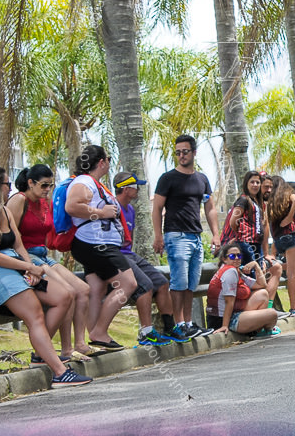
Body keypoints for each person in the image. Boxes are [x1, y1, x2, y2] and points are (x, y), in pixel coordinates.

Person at [0, 166, 92, 387]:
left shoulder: (5, 211)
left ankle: (42, 354)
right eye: (6, 184)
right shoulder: (11, 205)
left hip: (18, 265)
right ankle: (59, 371)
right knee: (35, 314)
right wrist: (28, 267)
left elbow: (18, 244)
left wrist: (30, 268)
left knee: (64, 296)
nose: (11, 187)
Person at [65, 145, 138, 351]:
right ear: (101, 162)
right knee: (128, 283)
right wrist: (101, 212)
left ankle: (94, 339)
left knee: (97, 288)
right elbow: (72, 207)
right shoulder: (84, 182)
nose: (109, 163)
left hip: (95, 243)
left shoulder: (93, 183)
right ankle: (99, 332)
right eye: (108, 159)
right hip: (96, 244)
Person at [152, 135, 219, 339]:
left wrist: (216, 234)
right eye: (178, 152)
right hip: (176, 236)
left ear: (194, 152)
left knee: (191, 283)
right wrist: (158, 236)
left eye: (185, 151)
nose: (181, 155)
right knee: (178, 283)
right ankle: (178, 324)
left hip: (196, 237)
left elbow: (210, 207)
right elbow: (156, 208)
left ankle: (189, 323)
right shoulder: (168, 178)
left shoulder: (202, 179)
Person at [112, 171, 181, 345]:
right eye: (136, 187)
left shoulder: (131, 210)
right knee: (146, 286)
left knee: (162, 282)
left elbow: (130, 238)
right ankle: (146, 332)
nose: (139, 190)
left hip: (129, 254)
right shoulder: (113, 207)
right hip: (117, 255)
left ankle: (169, 328)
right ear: (127, 189)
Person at [205, 243, 279, 335]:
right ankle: (262, 328)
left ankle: (259, 330)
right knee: (272, 314)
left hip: (234, 313)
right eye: (232, 256)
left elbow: (262, 285)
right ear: (224, 259)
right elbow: (229, 302)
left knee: (262, 294)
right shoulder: (230, 272)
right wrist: (224, 326)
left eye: (239, 256)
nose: (236, 258)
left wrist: (256, 266)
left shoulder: (236, 270)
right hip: (222, 319)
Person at [266, 177, 295, 316]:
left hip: (278, 240)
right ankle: (293, 308)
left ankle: (275, 267)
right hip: (290, 236)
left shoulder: (271, 201)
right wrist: (289, 217)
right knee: (292, 275)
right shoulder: (288, 194)